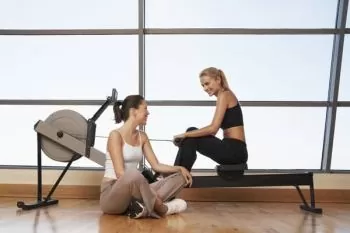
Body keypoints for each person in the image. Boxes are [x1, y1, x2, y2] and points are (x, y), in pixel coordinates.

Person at [100, 94, 192, 219]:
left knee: (180, 178)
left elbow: (156, 165)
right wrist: (148, 190)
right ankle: (162, 208)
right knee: (134, 174)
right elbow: (120, 174)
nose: (148, 113)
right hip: (112, 195)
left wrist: (180, 168)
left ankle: (140, 207)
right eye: (145, 108)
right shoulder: (115, 135)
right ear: (133, 111)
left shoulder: (142, 136)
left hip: (136, 189)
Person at [173, 67, 248, 172]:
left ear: (218, 80)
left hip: (235, 151)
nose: (205, 88)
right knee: (191, 133)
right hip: (231, 148)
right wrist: (186, 140)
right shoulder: (223, 95)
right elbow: (212, 132)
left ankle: (177, 174)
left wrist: (185, 135)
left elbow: (213, 129)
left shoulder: (224, 94)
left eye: (207, 83)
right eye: (203, 85)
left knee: (190, 132)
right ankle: (178, 173)